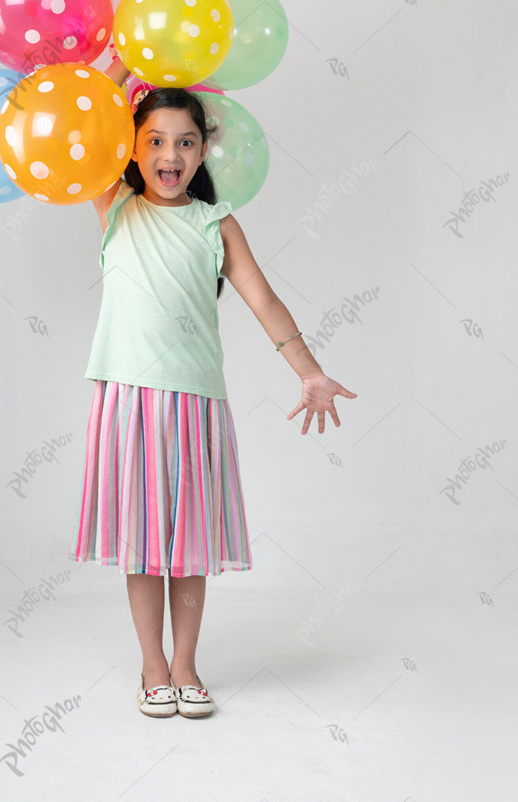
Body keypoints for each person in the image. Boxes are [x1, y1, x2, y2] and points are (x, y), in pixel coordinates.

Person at [69, 57, 358, 719]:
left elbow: (263, 300)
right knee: (144, 544)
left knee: (188, 544)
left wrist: (309, 370)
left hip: (196, 402)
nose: (171, 154)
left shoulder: (216, 224)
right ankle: (152, 667)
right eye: (155, 141)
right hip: (129, 401)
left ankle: (186, 665)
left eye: (186, 141)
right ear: (133, 148)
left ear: (204, 149)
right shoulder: (115, 207)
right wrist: (123, 63)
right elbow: (91, 118)